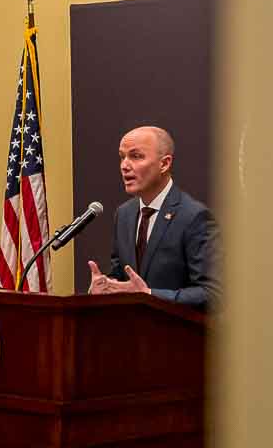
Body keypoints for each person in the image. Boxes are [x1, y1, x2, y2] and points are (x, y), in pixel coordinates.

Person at [86, 125, 220, 310]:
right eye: (122, 157)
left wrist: (149, 295)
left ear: (164, 164)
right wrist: (106, 287)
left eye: (136, 156)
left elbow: (212, 294)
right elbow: (123, 276)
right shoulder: (124, 214)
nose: (125, 166)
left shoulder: (193, 217)